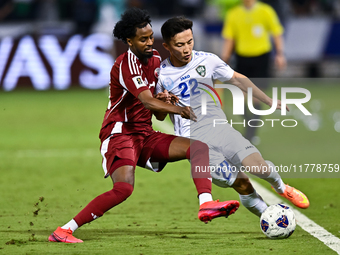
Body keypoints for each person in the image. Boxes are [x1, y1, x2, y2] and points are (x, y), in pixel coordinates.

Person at [48, 8, 239, 244]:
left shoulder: (157, 60)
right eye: (143, 39)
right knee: (124, 189)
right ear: (129, 41)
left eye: (151, 36)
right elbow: (145, 99)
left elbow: (156, 112)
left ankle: (206, 204)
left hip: (144, 133)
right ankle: (64, 230)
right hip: (120, 132)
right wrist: (179, 109)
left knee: (198, 147)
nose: (150, 42)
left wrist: (165, 100)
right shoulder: (125, 64)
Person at [155, 16, 309, 218]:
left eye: (190, 42)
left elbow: (237, 79)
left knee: (259, 167)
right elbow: (158, 116)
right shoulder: (161, 75)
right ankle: (269, 217)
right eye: (179, 45)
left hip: (221, 130)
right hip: (196, 143)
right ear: (166, 45)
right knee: (242, 183)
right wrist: (163, 102)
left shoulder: (207, 60)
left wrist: (268, 101)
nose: (186, 49)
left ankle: (281, 188)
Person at [221, 0, 286, 143]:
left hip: (261, 58)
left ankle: (250, 135)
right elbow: (229, 38)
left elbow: (276, 32)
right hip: (242, 58)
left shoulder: (265, 11)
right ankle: (250, 128)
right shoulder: (233, 14)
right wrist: (224, 58)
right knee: (240, 100)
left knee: (256, 97)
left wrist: (280, 54)